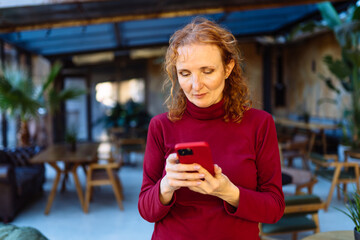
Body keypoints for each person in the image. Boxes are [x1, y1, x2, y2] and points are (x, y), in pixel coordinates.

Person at [138, 17, 284, 240]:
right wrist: (166, 186)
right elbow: (146, 211)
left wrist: (227, 192)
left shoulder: (259, 124)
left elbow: (274, 209)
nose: (196, 85)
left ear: (228, 68)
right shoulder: (161, 126)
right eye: (185, 73)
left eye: (207, 71)